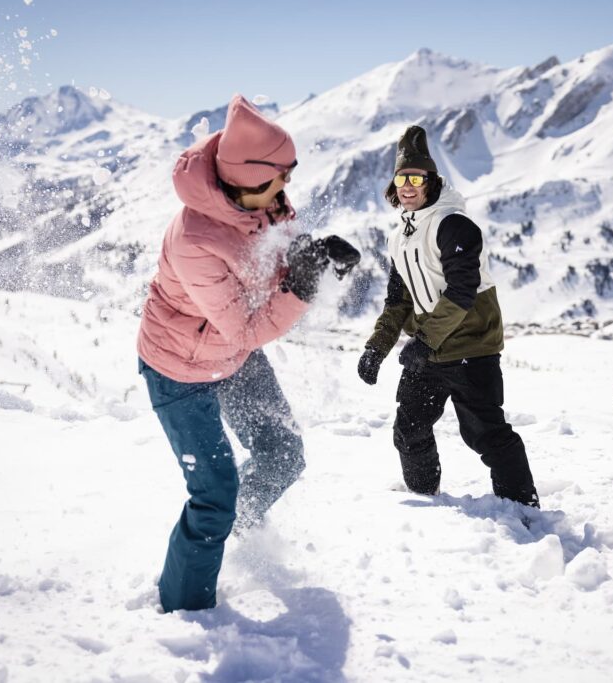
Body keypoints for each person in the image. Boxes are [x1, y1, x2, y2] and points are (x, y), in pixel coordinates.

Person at [137, 94, 359, 612]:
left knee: (283, 454)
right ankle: (186, 614)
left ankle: (238, 524)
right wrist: (302, 289)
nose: (285, 191)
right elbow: (244, 328)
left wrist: (314, 260)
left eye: (286, 178)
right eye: (274, 181)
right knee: (213, 496)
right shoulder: (195, 239)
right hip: (180, 370)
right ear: (239, 182)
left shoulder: (264, 198)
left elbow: (271, 266)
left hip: (231, 358)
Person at [356, 125, 539, 507]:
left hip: (472, 346)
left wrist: (422, 343)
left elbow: (462, 292)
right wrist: (377, 348)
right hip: (430, 349)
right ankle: (428, 503)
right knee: (409, 430)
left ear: (431, 181)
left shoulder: (453, 225)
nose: (407, 185)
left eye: (416, 178)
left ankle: (524, 509)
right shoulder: (399, 238)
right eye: (401, 177)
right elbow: (397, 301)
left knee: (486, 435)